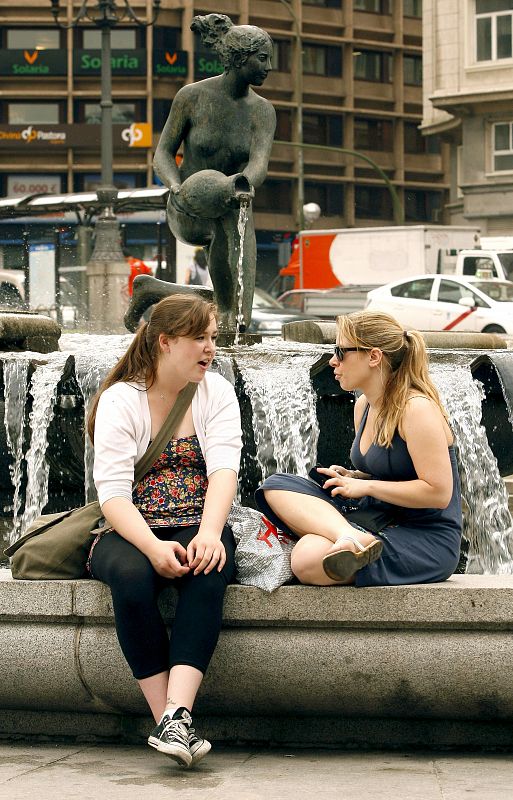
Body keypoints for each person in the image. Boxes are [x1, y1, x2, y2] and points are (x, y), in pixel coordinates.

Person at [86, 294, 242, 767]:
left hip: (201, 521)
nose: (209, 348)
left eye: (212, 337)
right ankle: (169, 720)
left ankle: (177, 714)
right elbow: (112, 493)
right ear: (165, 342)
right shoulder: (120, 399)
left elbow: (224, 471)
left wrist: (211, 533)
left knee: (207, 571)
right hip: (131, 528)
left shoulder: (216, 392)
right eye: (199, 338)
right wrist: (153, 547)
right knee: (132, 580)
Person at [255, 310, 462, 587]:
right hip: (375, 519)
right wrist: (356, 477)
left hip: (424, 536)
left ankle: (350, 538)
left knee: (307, 559)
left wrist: (366, 488)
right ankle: (348, 536)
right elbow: (394, 473)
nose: (333, 361)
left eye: (341, 351)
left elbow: (438, 493)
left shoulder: (416, 409)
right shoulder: (364, 405)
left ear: (373, 357)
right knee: (275, 485)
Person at [153, 13, 276, 330]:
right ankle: (230, 313)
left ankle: (237, 321)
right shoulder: (191, 97)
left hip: (233, 198)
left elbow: (259, 161)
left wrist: (243, 184)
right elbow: (163, 153)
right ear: (240, 58)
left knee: (234, 225)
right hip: (188, 206)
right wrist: (175, 187)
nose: (269, 67)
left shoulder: (262, 111)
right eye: (262, 58)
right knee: (221, 234)